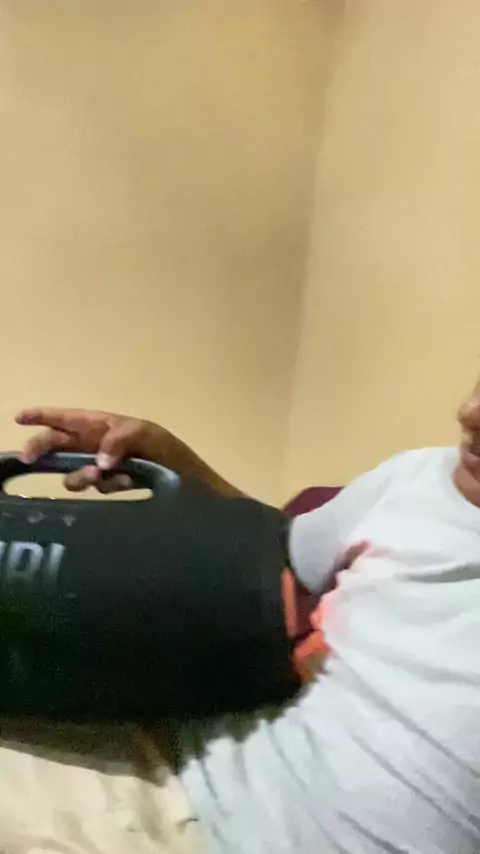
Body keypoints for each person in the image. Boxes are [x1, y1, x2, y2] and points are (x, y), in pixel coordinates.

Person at [8, 388, 480, 854]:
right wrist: (171, 461)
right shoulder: (416, 478)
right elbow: (269, 552)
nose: (469, 413)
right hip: (175, 758)